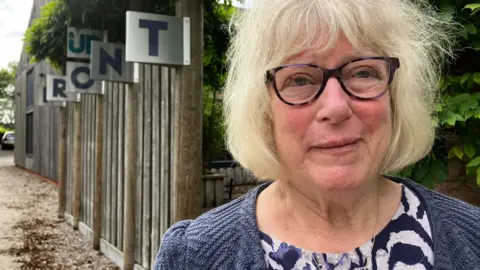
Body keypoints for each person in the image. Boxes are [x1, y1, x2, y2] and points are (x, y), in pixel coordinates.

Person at [154, 0, 480, 269]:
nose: (336, 107)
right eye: (299, 80)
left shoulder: (473, 239)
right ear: (263, 108)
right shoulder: (191, 257)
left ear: (395, 96)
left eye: (363, 72)